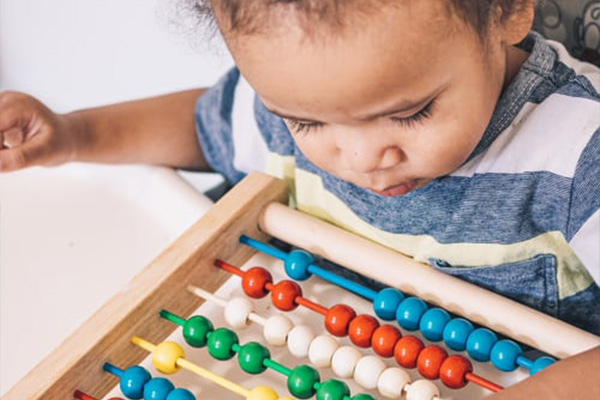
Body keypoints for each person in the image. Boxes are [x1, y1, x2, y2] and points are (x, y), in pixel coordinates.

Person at [0, 0, 598, 397]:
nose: (362, 160)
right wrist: (75, 135)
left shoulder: (578, 152)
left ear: (506, 8)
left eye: (411, 112)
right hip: (319, 365)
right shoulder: (287, 102)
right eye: (308, 126)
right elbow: (204, 129)